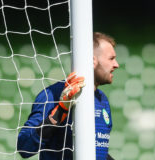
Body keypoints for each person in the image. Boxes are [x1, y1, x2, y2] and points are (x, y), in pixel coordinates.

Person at [17, 32, 119, 160]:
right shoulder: (52, 94)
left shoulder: (101, 99)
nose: (116, 64)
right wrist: (61, 110)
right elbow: (24, 147)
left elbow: (98, 152)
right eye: (111, 58)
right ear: (92, 60)